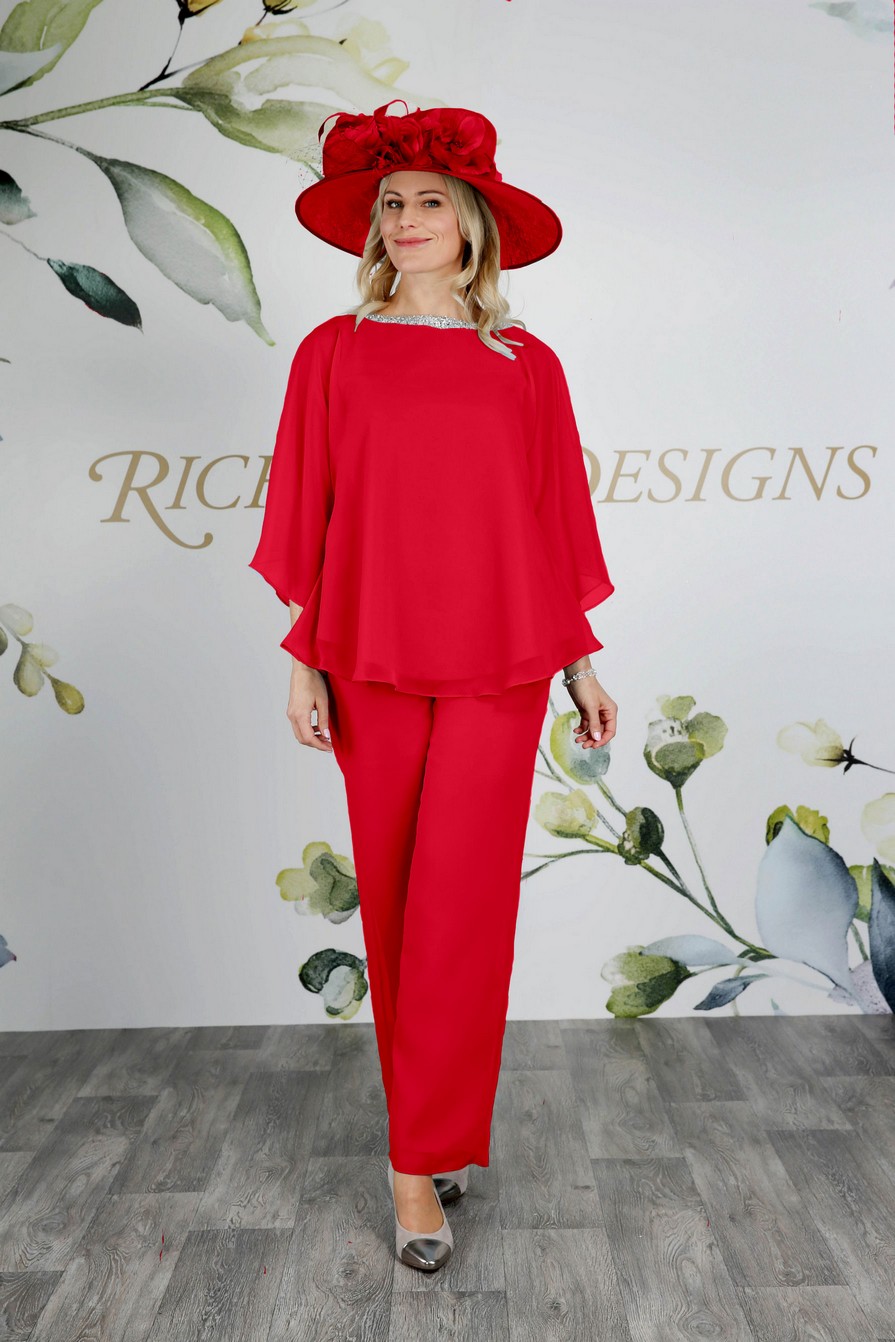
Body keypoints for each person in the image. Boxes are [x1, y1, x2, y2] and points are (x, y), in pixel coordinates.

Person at [248, 99, 617, 1273]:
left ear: (471, 226)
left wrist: (580, 661)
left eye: (430, 202)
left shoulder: (527, 366)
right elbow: (305, 511)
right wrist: (302, 659)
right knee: (402, 908)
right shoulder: (332, 352)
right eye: (392, 203)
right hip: (369, 657)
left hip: (503, 664)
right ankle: (419, 1163)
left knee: (466, 910)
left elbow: (552, 524)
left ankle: (428, 1143)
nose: (407, 219)